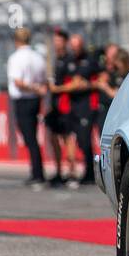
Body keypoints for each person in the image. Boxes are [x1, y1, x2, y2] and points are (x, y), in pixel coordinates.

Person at [7, 28, 47, 187]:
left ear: (16, 41)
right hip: (35, 100)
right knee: (32, 137)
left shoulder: (16, 58)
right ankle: (36, 172)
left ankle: (38, 173)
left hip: (23, 100)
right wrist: (37, 90)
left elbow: (18, 82)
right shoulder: (38, 57)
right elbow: (43, 79)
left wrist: (33, 88)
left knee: (30, 138)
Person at [63, 34, 99, 187]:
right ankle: (79, 172)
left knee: (85, 140)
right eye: (73, 46)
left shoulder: (90, 60)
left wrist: (87, 84)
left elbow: (100, 78)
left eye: (77, 45)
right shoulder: (68, 61)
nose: (75, 48)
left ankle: (90, 173)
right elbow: (65, 80)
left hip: (87, 106)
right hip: (73, 107)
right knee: (76, 140)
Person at [43, 28, 75, 187]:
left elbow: (73, 83)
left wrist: (58, 88)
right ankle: (58, 171)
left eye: (58, 40)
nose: (56, 43)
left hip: (66, 104)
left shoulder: (70, 59)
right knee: (53, 137)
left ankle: (72, 172)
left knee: (67, 137)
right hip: (54, 104)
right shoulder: (54, 60)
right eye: (54, 40)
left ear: (64, 41)